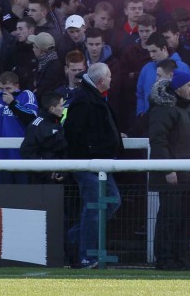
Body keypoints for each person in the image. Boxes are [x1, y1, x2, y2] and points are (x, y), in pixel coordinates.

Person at [64, 62, 125, 269]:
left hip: (100, 163)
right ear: (101, 81)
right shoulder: (83, 100)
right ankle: (85, 256)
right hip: (88, 164)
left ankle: (73, 239)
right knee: (93, 208)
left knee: (111, 202)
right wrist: (90, 152)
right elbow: (73, 132)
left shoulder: (92, 97)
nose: (111, 80)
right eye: (109, 77)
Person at [149, 71, 190, 270]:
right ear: (178, 87)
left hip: (187, 175)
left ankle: (180, 257)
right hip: (173, 175)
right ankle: (165, 258)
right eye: (189, 85)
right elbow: (158, 141)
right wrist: (168, 169)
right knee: (170, 217)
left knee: (184, 218)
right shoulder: (164, 109)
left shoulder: (185, 109)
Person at [0, 71, 38, 184]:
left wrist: (13, 103)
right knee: (2, 196)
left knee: (23, 194)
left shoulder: (27, 95)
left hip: (22, 154)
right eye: (1, 88)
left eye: (8, 88)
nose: (4, 92)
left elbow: (32, 118)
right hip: (1, 155)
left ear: (17, 87)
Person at [20, 92, 68, 184]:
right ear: (52, 108)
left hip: (57, 175)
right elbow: (27, 151)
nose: (63, 108)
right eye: (61, 105)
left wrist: (62, 171)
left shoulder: (56, 123)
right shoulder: (37, 125)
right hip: (41, 180)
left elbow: (61, 150)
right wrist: (46, 172)